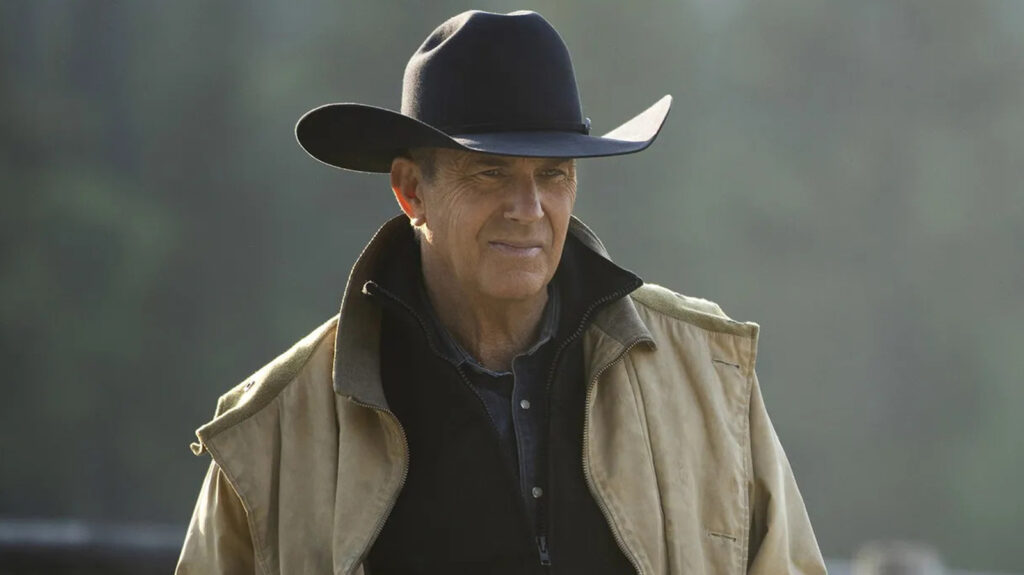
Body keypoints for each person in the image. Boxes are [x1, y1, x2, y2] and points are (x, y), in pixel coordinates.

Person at [176, 10, 826, 575]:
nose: (528, 208)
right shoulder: (276, 431)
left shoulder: (709, 376)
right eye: (490, 172)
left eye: (553, 174)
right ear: (412, 190)